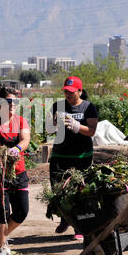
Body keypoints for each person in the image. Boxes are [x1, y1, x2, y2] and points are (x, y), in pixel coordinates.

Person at [0, 87, 31, 255]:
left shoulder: (21, 121)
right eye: (9, 102)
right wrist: (4, 153)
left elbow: (25, 140)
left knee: (22, 211)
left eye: (15, 102)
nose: (13, 106)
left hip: (18, 172)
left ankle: (1, 236)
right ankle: (1, 251)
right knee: (2, 212)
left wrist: (17, 149)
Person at [48, 76, 98, 240]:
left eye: (71, 92)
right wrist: (54, 123)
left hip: (81, 156)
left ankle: (80, 226)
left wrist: (77, 126)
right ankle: (65, 219)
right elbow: (49, 128)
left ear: (80, 91)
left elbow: (91, 131)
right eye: (66, 92)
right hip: (60, 154)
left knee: (79, 191)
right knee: (60, 189)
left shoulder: (88, 107)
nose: (68, 95)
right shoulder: (58, 105)